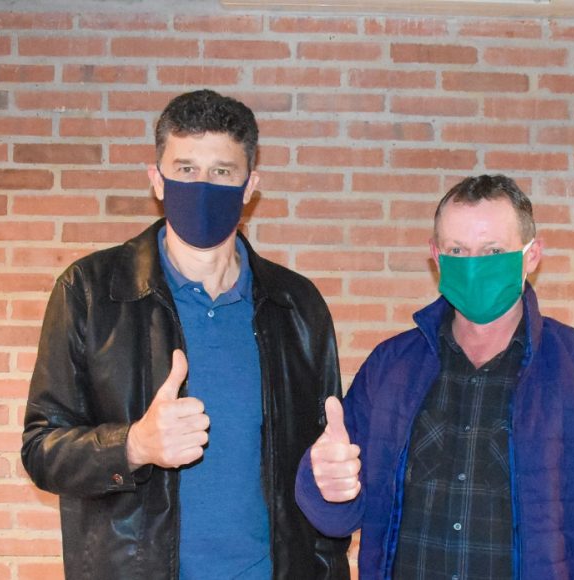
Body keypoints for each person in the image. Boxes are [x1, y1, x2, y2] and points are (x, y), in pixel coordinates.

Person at [22, 89, 349, 580]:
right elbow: (41, 450)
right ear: (156, 179)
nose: (202, 186)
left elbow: (322, 461)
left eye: (222, 172)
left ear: (250, 186)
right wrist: (134, 445)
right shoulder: (91, 291)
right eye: (186, 169)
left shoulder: (297, 305)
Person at [295, 174, 574, 579]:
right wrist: (322, 483)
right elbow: (337, 515)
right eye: (457, 250)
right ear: (436, 256)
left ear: (532, 256)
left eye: (493, 251)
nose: (474, 265)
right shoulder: (391, 367)